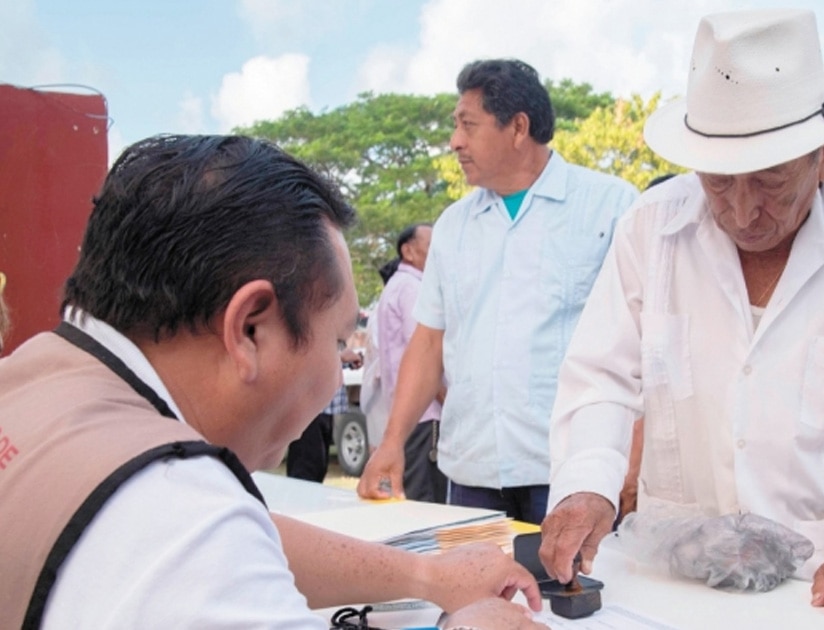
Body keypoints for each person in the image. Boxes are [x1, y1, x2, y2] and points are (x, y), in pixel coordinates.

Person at [538, 8, 824, 624]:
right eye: (719, 184)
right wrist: (588, 482)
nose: (743, 213)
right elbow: (600, 378)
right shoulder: (651, 228)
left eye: (771, 181)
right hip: (673, 573)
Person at [0, 134, 545, 629]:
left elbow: (251, 533)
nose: (339, 366)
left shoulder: (39, 380)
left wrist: (426, 577)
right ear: (251, 329)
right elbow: (206, 535)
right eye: (337, 344)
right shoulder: (179, 519)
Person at [357, 59, 638, 524]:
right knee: (475, 592)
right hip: (473, 471)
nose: (455, 142)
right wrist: (391, 442)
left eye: (468, 125)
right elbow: (428, 342)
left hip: (573, 473)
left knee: (576, 596)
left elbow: (642, 343)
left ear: (518, 127)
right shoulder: (453, 226)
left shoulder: (610, 206)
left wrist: (634, 459)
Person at [375, 222, 448, 503]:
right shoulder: (413, 289)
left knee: (413, 499)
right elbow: (426, 351)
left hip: (409, 417)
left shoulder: (398, 285)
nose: (438, 254)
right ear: (408, 250)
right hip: (425, 415)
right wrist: (448, 400)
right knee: (426, 504)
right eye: (431, 247)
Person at [286, 351, 360, 483]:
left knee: (316, 470)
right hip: (309, 409)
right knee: (305, 473)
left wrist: (345, 361)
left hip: (323, 408)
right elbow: (305, 356)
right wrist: (341, 356)